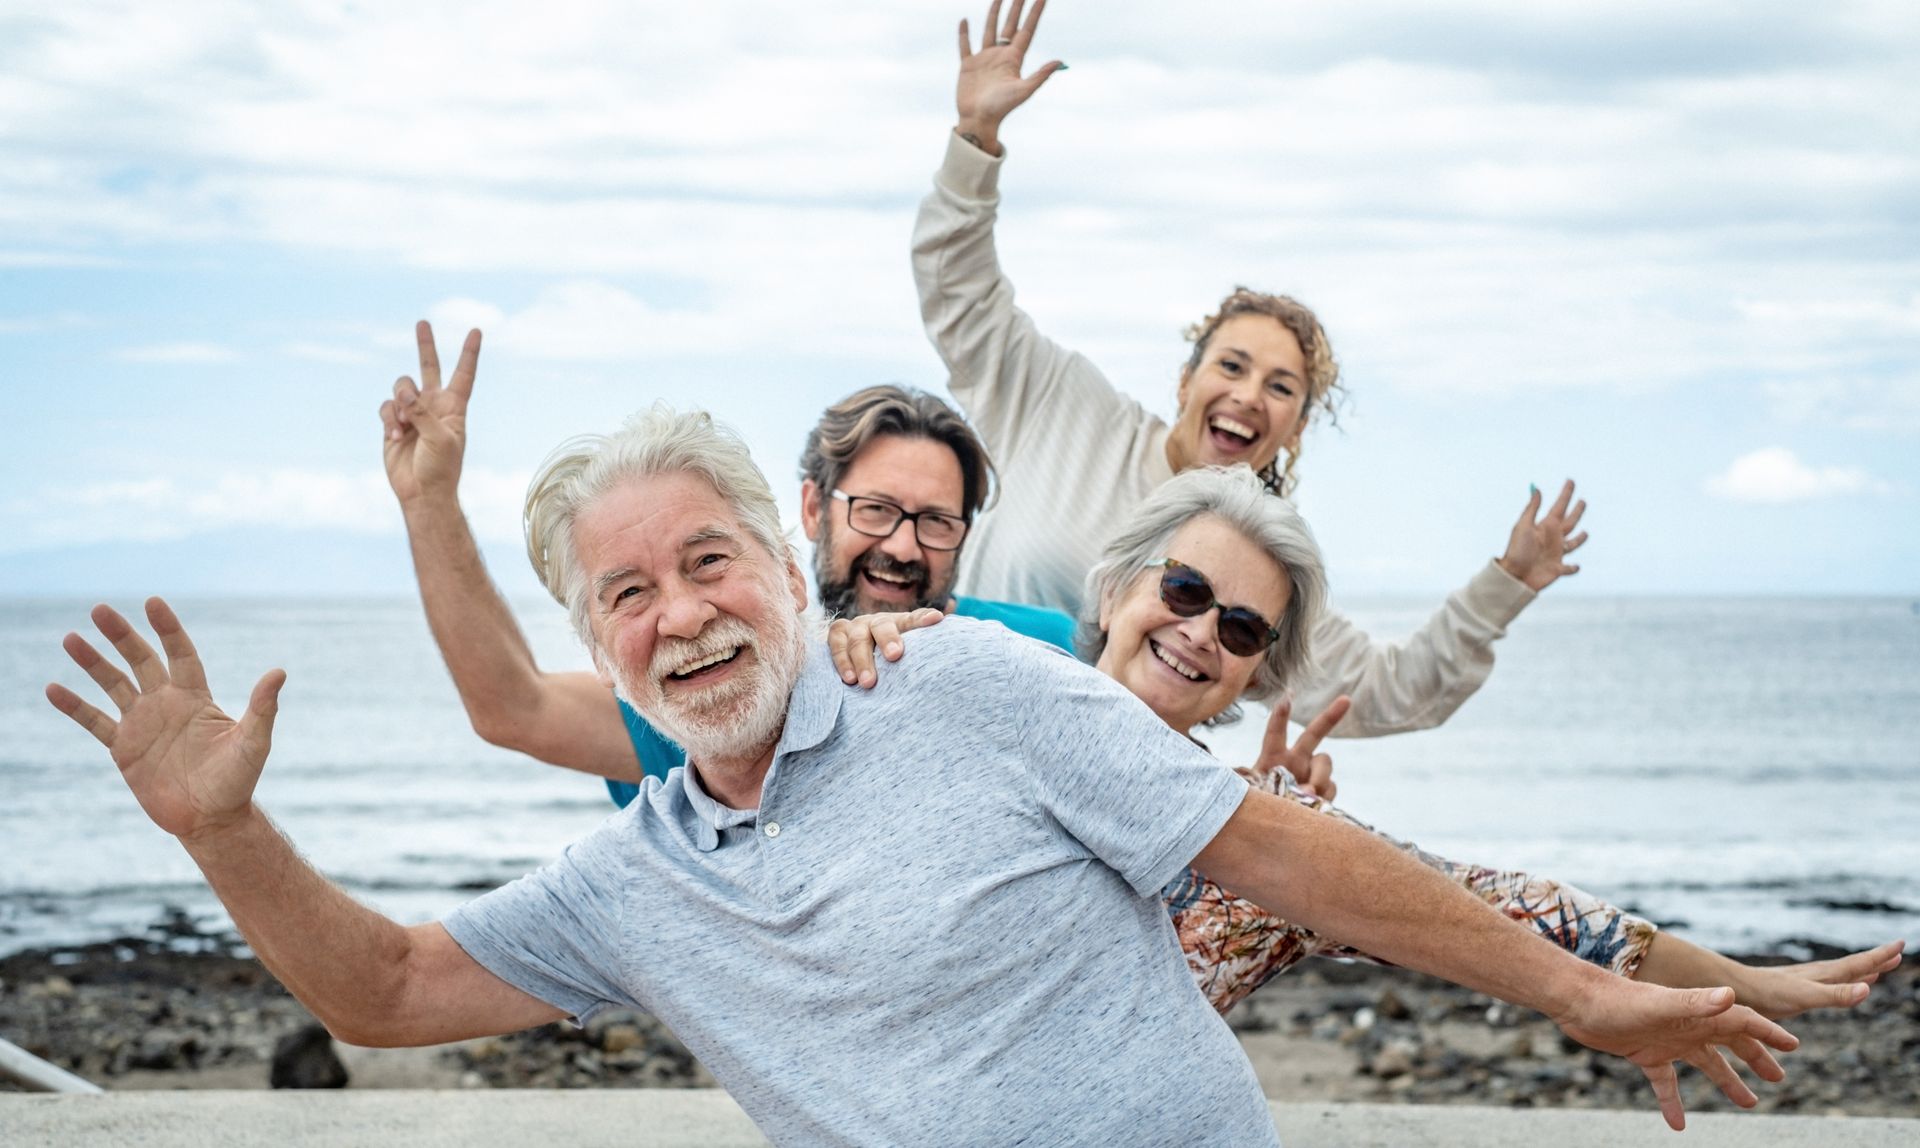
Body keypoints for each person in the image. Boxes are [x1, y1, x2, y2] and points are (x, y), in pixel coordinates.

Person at [50, 404, 1801, 1138]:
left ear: (783, 552)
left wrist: (1584, 987)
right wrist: (225, 829)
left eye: (709, 560)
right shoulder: (638, 870)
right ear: (601, 627)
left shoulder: (965, 676)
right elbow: (390, 982)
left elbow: (1277, 847)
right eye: (628, 593)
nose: (682, 616)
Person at [829, 466, 1905, 1019]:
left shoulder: (1260, 855)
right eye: (1188, 590)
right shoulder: (978, 684)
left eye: (1242, 628)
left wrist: (1739, 984)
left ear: (1256, 672)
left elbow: (1512, 908)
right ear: (1115, 590)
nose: (1202, 631)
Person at [914, 0, 1588, 736]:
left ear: (1295, 428)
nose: (1247, 396)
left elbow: (1388, 692)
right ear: (1186, 379)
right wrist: (975, 138)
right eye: (1231, 365)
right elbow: (961, 295)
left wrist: (1510, 582)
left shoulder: (1256, 570)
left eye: (1280, 387)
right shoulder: (1063, 404)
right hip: (951, 724)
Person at [380, 322, 1068, 807]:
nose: (904, 547)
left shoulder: (1041, 649)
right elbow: (514, 707)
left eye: (936, 522)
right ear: (809, 508)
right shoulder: (721, 681)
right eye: (876, 510)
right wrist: (429, 502)